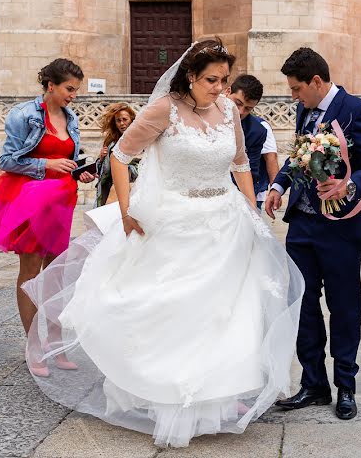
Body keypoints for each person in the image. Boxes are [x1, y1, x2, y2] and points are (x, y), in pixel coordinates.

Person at [20, 40, 304, 448]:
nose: (220, 88)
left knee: (224, 310)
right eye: (212, 80)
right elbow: (120, 155)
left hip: (224, 220)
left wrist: (250, 210)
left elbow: (241, 163)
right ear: (191, 76)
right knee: (176, 308)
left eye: (225, 80)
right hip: (175, 220)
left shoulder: (227, 110)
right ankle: (169, 393)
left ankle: (216, 393)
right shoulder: (163, 109)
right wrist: (125, 209)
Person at [265, 48, 361, 421]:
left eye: (297, 89)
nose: (293, 96)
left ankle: (346, 387)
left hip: (342, 226)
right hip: (302, 226)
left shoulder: (357, 110)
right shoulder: (306, 110)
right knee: (302, 303)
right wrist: (278, 185)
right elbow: (298, 155)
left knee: (343, 305)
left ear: (317, 82)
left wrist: (349, 186)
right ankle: (314, 384)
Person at [0, 59, 97, 367]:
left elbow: (70, 159)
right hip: (32, 202)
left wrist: (80, 173)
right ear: (51, 86)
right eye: (69, 89)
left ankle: (57, 346)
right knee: (31, 271)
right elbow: (8, 161)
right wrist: (46, 165)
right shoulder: (24, 115)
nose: (73, 95)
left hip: (63, 202)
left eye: (76, 90)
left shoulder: (71, 118)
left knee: (57, 275)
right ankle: (34, 347)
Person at [226, 74, 277, 209]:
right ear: (227, 91)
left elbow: (251, 172)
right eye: (237, 103)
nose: (241, 111)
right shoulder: (203, 113)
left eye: (248, 108)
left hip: (235, 198)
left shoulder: (257, 131)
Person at [94, 102, 138, 207]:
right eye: (118, 120)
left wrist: (124, 170)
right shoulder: (110, 142)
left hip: (133, 193)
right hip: (107, 192)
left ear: (131, 120)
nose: (122, 123)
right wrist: (101, 159)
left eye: (125, 119)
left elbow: (143, 167)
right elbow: (100, 172)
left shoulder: (139, 140)